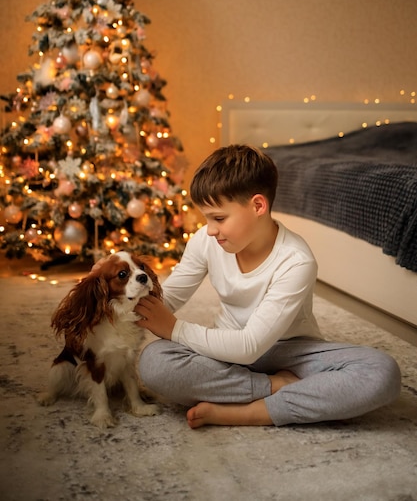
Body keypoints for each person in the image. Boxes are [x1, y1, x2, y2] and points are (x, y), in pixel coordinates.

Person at [136, 144, 401, 429]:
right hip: (225, 349)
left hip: (291, 350)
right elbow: (169, 297)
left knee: (381, 372)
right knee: (153, 361)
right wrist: (119, 294)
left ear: (258, 206)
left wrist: (176, 329)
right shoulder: (206, 240)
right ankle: (274, 387)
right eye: (206, 218)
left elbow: (251, 346)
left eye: (219, 218)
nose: (210, 229)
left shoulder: (296, 260)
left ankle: (250, 412)